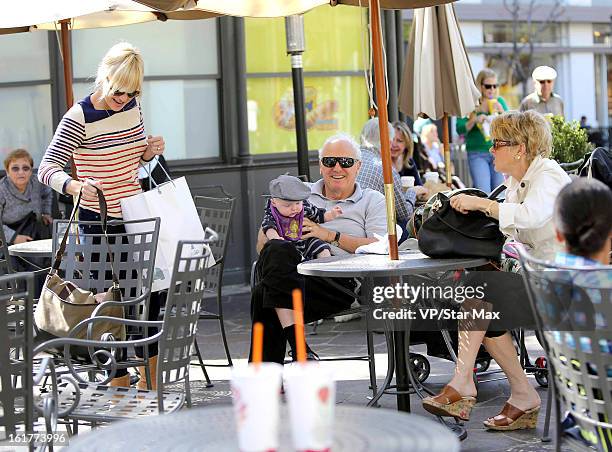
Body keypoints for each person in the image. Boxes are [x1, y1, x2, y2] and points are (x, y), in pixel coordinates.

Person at [422, 110, 571, 431]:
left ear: (520, 147)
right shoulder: (517, 181)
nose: (490, 150)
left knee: (480, 293)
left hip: (566, 288)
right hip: (540, 280)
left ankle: (467, 383)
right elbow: (510, 230)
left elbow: (529, 217)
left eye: (496, 143)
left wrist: (482, 205)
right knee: (478, 293)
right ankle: (515, 392)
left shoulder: (549, 175)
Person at [38, 42, 165, 389]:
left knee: (149, 296)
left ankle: (150, 379)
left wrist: (147, 152)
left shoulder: (133, 107)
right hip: (98, 222)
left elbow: (132, 159)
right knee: (110, 305)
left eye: (132, 92)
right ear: (104, 77)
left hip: (136, 214)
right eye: (118, 91)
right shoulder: (79, 117)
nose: (123, 98)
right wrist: (75, 186)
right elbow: (46, 169)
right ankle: (118, 380)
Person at [251, 133, 387, 364]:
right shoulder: (296, 193)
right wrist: (276, 220)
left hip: (337, 284)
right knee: (277, 254)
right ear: (320, 166)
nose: (337, 168)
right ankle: (299, 352)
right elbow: (261, 247)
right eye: (329, 161)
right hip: (292, 272)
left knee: (265, 294)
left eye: (345, 162)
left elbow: (381, 246)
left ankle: (267, 376)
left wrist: (329, 235)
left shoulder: (372, 200)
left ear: (358, 167)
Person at [261, 174, 342, 260]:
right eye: (287, 205)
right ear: (274, 203)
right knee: (282, 254)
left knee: (322, 248)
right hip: (286, 243)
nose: (294, 208)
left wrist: (331, 214)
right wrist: (275, 239)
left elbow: (319, 215)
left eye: (297, 203)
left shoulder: (305, 208)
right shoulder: (272, 214)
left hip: (306, 240)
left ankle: (324, 265)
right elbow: (268, 227)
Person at [456, 68, 508, 193]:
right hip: (477, 152)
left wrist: (501, 112)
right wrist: (474, 119)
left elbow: (511, 125)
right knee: (483, 190)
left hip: (498, 152)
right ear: (480, 86)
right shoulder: (472, 103)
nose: (492, 90)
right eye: (488, 86)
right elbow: (460, 128)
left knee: (499, 192)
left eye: (495, 86)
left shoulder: (499, 101)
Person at [357, 118, 416, 225]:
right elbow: (405, 215)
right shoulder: (386, 170)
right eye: (393, 140)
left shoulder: (348, 160)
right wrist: (412, 191)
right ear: (388, 142)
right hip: (369, 229)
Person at [1, 149, 53, 246]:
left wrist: (46, 212)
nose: (21, 172)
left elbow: (47, 192)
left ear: (31, 171)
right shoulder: (1, 190)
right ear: (7, 172)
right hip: (8, 235)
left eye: (25, 168)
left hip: (34, 229)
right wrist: (14, 238)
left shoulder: (37, 182)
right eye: (15, 168)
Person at [391, 121, 428, 201]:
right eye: (391, 139)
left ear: (407, 145)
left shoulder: (409, 162)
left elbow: (420, 187)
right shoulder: (380, 163)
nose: (394, 144)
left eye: (399, 141)